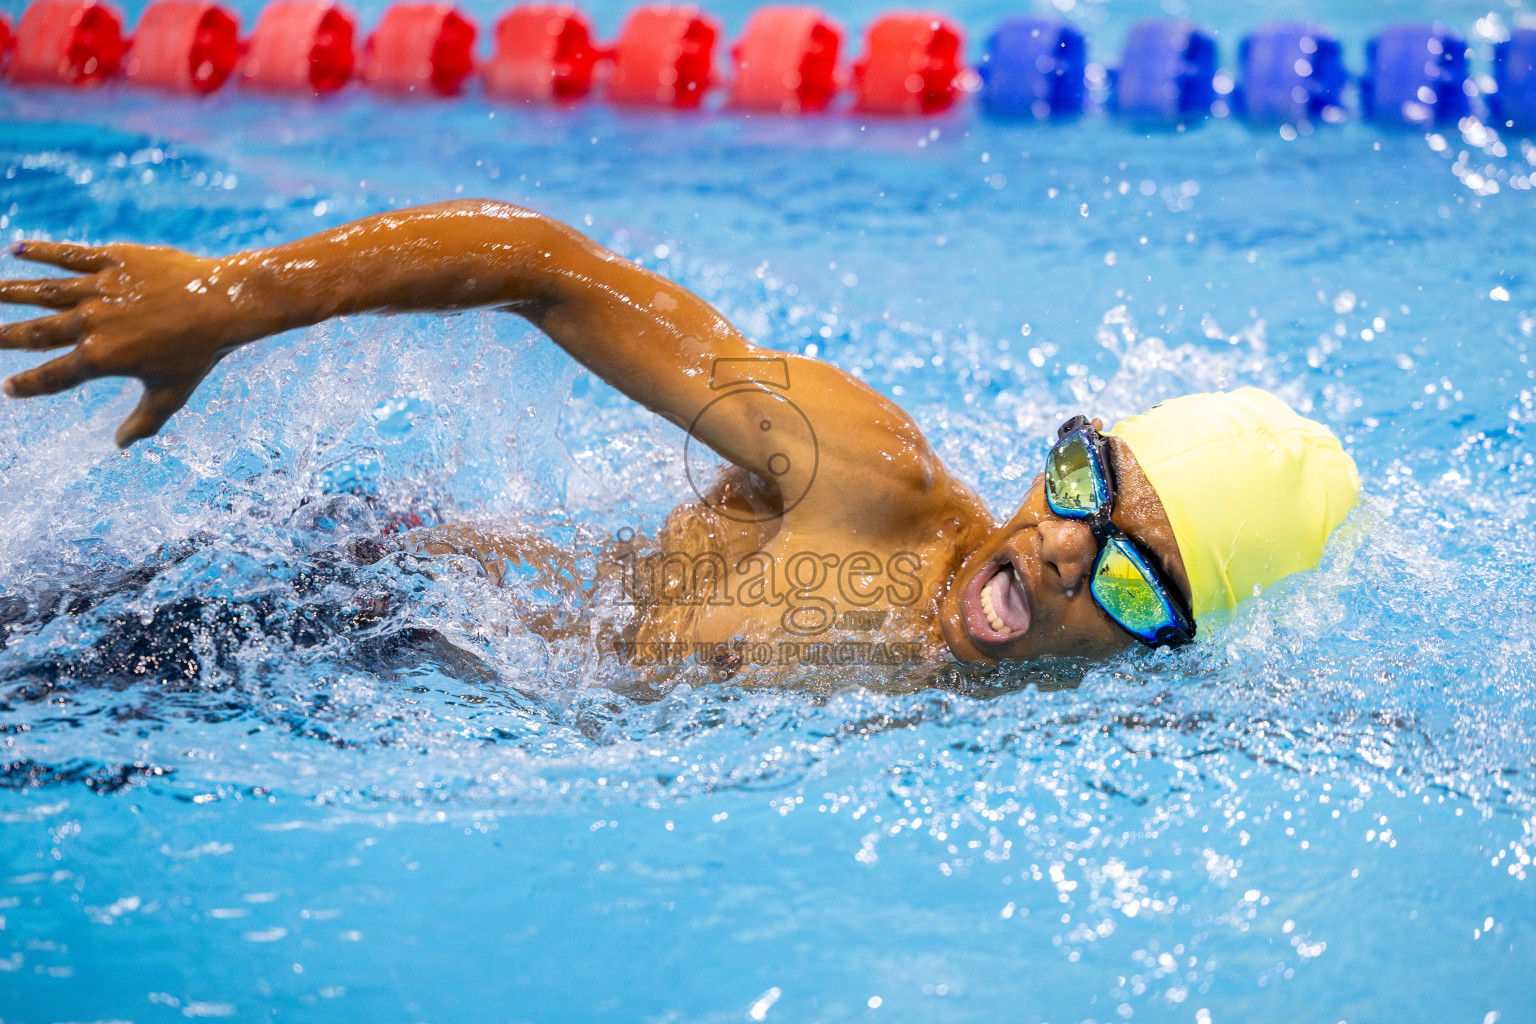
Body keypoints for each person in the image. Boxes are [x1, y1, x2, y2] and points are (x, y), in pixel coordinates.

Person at [0, 200, 1361, 675]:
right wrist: (232, 300)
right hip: (361, 611)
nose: (1063, 549)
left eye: (1133, 575)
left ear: (1169, 653)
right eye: (1083, 483)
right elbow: (548, 268)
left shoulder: (1091, 731)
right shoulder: (862, 481)